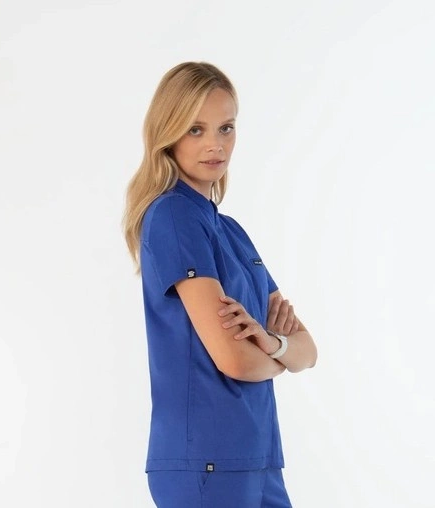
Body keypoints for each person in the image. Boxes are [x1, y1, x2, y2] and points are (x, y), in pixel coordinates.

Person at [123, 61, 317, 508]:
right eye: (196, 129)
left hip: (257, 458)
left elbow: (308, 350)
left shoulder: (230, 230)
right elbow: (235, 359)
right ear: (167, 133)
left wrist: (271, 343)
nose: (216, 144)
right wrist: (279, 356)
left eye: (226, 128)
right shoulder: (173, 216)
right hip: (206, 463)